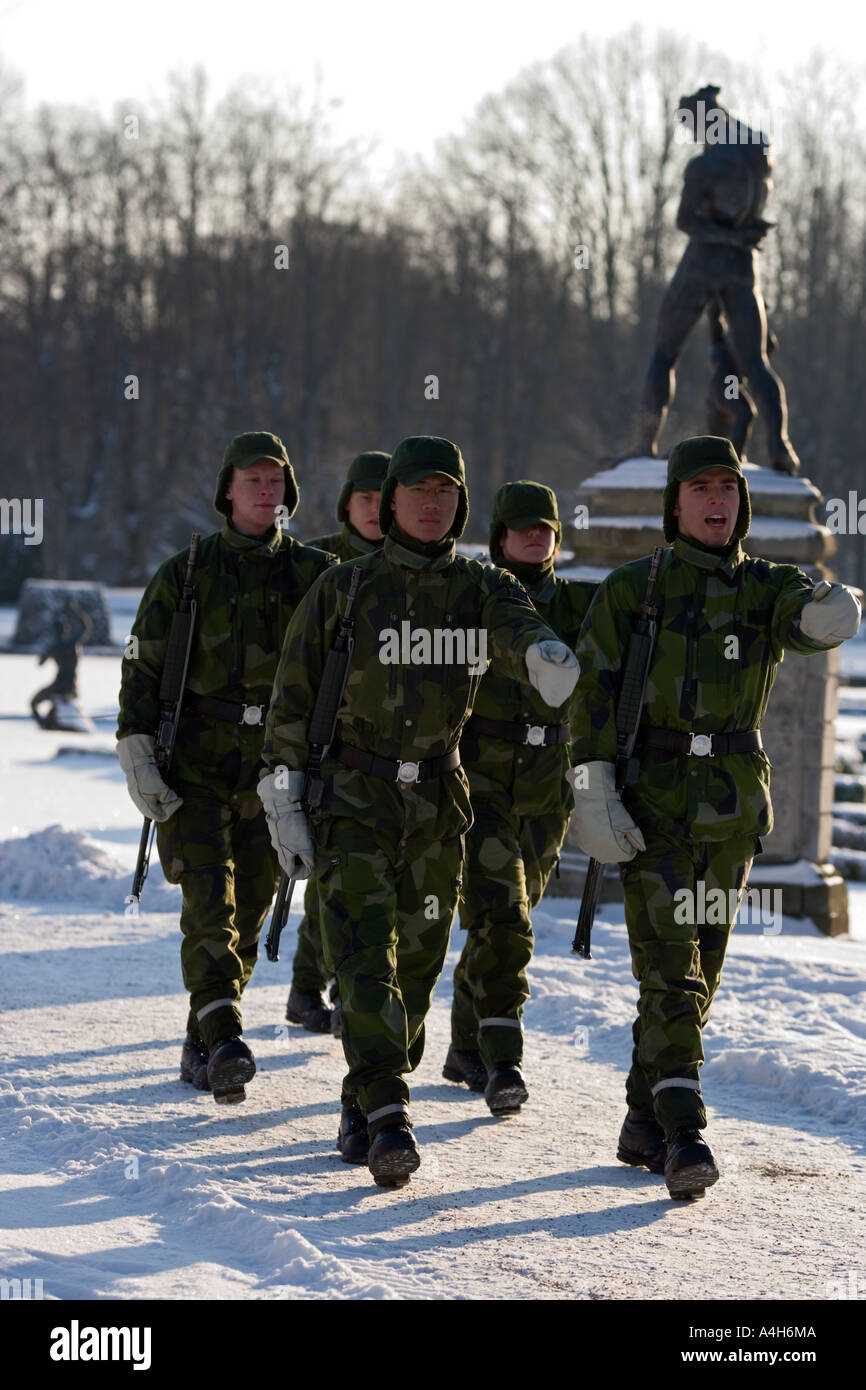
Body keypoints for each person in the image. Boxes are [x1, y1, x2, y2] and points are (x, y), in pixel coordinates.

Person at [259, 436, 579, 1187]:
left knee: (419, 965)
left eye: (446, 493)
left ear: (460, 505)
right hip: (354, 797)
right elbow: (291, 699)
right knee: (367, 959)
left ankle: (366, 1095)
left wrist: (543, 653)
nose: (432, 504)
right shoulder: (345, 589)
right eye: (418, 491)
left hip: (438, 802)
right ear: (392, 501)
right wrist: (283, 796)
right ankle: (388, 1115)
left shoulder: (481, 586)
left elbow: (516, 620)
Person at [569, 435, 861, 1198]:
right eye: (700, 488)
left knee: (699, 975)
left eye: (727, 488)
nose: (716, 501)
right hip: (651, 803)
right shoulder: (634, 589)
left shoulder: (766, 585)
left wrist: (836, 609)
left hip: (731, 808)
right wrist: (592, 786)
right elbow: (592, 693)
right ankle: (684, 1131)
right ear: (675, 503)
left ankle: (642, 1118)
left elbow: (810, 617)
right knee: (669, 972)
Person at [116, 432, 334, 1104]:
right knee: (210, 902)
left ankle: (205, 1034)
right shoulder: (188, 571)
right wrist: (136, 747)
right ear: (228, 490)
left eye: (276, 482)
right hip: (197, 765)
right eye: (253, 480)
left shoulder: (314, 575)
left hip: (275, 771)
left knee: (249, 914)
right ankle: (228, 1037)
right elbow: (143, 667)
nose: (266, 492)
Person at [444, 481, 597, 1114]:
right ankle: (504, 1059)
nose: (536, 536)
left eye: (546, 528)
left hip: (547, 783)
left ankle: (463, 1046)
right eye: (522, 527)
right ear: (499, 536)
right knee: (506, 919)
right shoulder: (475, 597)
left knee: (497, 919)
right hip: (481, 782)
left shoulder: (586, 603)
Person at [287, 450, 390, 1035]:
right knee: (331, 875)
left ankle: (328, 987)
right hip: (327, 741)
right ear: (347, 504)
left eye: (384, 499)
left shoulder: (415, 569)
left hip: (391, 749)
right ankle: (313, 986)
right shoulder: (315, 565)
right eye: (365, 500)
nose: (375, 511)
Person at [31, 597, 93, 729]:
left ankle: (47, 724)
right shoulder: (71, 644)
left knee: (33, 703)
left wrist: (46, 652)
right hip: (69, 684)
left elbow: (40, 662)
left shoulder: (58, 646)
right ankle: (49, 723)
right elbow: (85, 626)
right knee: (36, 702)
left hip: (61, 684)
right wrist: (74, 610)